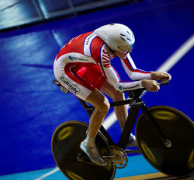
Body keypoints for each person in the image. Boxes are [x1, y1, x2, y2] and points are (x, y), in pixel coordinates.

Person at [53, 23, 171, 166]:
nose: (128, 52)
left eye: (130, 47)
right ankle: (88, 143)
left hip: (84, 63)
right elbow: (120, 85)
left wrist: (154, 74)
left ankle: (126, 137)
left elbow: (132, 72)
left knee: (117, 94)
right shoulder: (100, 52)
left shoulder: (117, 44)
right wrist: (144, 83)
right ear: (112, 47)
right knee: (102, 105)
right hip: (65, 69)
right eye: (124, 49)